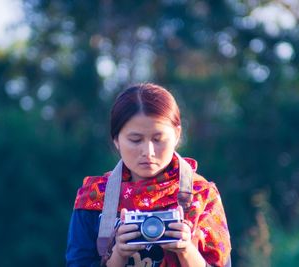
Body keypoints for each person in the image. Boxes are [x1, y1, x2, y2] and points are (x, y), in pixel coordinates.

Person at [66, 83, 231, 267]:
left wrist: (186, 250)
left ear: (177, 135)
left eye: (158, 139)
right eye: (135, 140)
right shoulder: (94, 198)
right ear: (116, 140)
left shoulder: (202, 195)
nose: (148, 151)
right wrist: (118, 254)